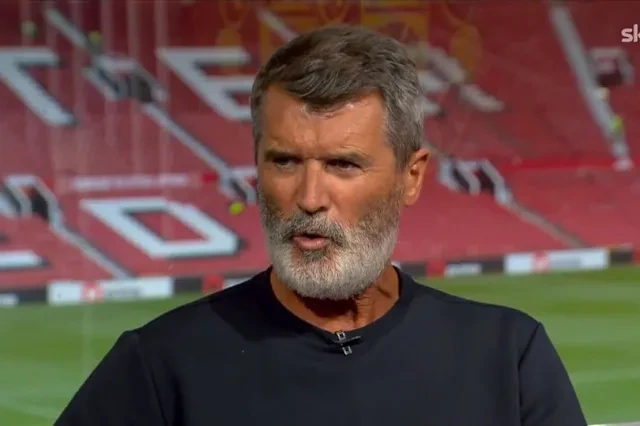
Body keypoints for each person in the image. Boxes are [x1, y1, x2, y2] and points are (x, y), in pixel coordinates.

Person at [54, 25, 587, 426]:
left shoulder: (506, 357)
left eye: (343, 165)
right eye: (285, 162)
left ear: (411, 176)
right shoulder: (159, 368)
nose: (309, 199)